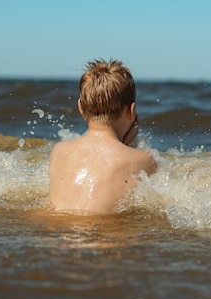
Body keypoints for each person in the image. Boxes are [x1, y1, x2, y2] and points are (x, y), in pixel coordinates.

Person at [48, 59, 157, 215]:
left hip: (59, 235)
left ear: (80, 108)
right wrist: (128, 147)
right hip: (99, 234)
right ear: (132, 110)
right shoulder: (144, 160)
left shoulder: (58, 151)